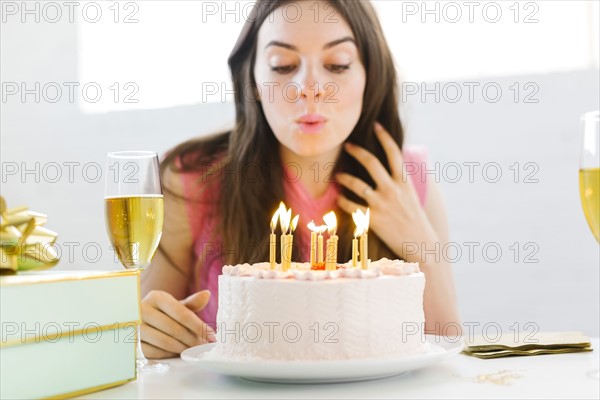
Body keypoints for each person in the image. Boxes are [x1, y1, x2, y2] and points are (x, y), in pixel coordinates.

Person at [140, 0, 461, 359]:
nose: (309, 88)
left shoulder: (405, 178)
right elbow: (146, 340)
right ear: (254, 80)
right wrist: (149, 332)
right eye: (284, 65)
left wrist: (421, 246)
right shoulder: (190, 178)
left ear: (369, 75)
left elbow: (447, 342)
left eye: (337, 64)